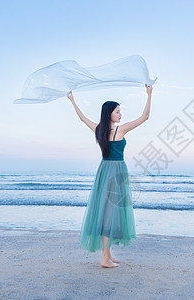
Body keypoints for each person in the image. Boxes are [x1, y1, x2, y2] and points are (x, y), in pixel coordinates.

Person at [67, 84, 153, 268]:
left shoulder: (99, 129)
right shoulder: (118, 130)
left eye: (120, 111)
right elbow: (145, 117)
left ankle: (108, 254)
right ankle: (104, 259)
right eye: (117, 112)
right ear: (109, 114)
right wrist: (149, 94)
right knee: (110, 214)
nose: (120, 114)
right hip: (116, 171)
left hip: (104, 171)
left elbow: (83, 119)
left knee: (107, 212)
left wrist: (72, 100)